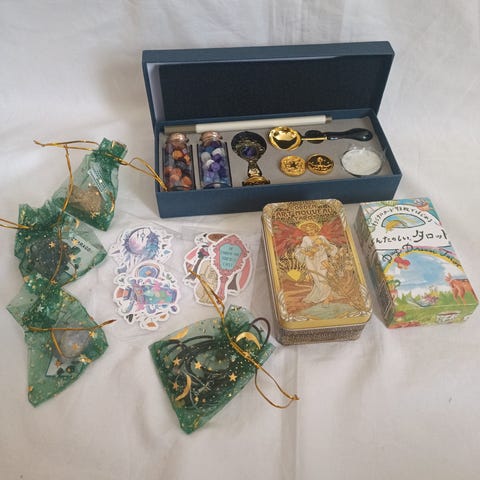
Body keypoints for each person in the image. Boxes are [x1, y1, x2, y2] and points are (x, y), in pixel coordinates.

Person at [294, 221, 337, 303]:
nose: (309, 232)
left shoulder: (321, 237)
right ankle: (326, 295)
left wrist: (322, 243)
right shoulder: (305, 238)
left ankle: (326, 296)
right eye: (307, 230)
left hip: (322, 259)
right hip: (310, 260)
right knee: (316, 278)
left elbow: (330, 248)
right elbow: (302, 248)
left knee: (322, 277)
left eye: (311, 229)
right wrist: (306, 252)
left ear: (315, 229)